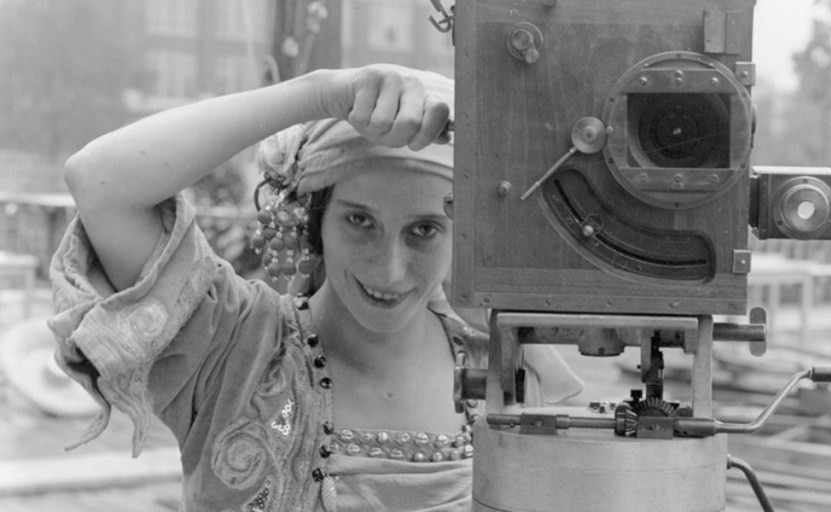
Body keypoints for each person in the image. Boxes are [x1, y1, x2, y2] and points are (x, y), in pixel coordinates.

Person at [48, 65, 583, 511]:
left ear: (462, 237)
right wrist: (320, 92)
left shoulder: (506, 375)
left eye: (424, 230)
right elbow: (98, 181)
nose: (389, 269)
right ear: (314, 222)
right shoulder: (233, 347)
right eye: (359, 221)